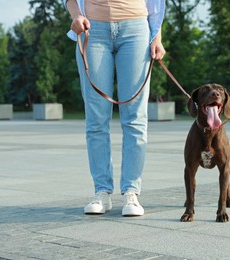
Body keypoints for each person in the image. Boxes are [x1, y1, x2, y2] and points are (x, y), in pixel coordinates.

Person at [63, 0, 166, 216]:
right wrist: (75, 15)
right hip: (93, 29)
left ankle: (131, 192)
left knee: (135, 117)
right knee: (96, 119)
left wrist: (156, 36)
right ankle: (102, 192)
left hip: (136, 27)